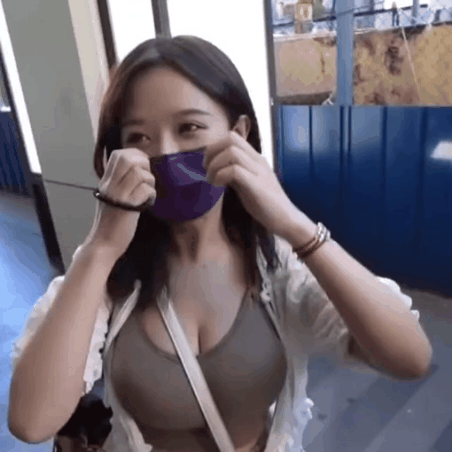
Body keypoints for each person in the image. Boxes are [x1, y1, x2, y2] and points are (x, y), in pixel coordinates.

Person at [8, 35, 432, 452]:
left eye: (189, 128)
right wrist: (101, 247)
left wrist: (295, 225)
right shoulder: (109, 276)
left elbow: (410, 357)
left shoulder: (275, 264)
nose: (166, 153)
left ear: (238, 134)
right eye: (139, 137)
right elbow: (31, 422)